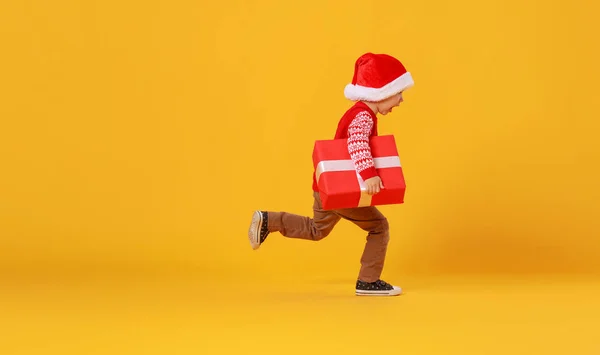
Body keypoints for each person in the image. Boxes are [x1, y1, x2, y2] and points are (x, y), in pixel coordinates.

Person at [247, 52, 414, 296]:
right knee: (379, 226)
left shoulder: (357, 112)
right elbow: (356, 142)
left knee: (317, 230)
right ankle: (368, 281)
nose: (400, 100)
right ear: (382, 91)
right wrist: (369, 175)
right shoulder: (363, 116)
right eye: (398, 93)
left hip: (326, 187)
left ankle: (268, 220)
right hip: (343, 193)